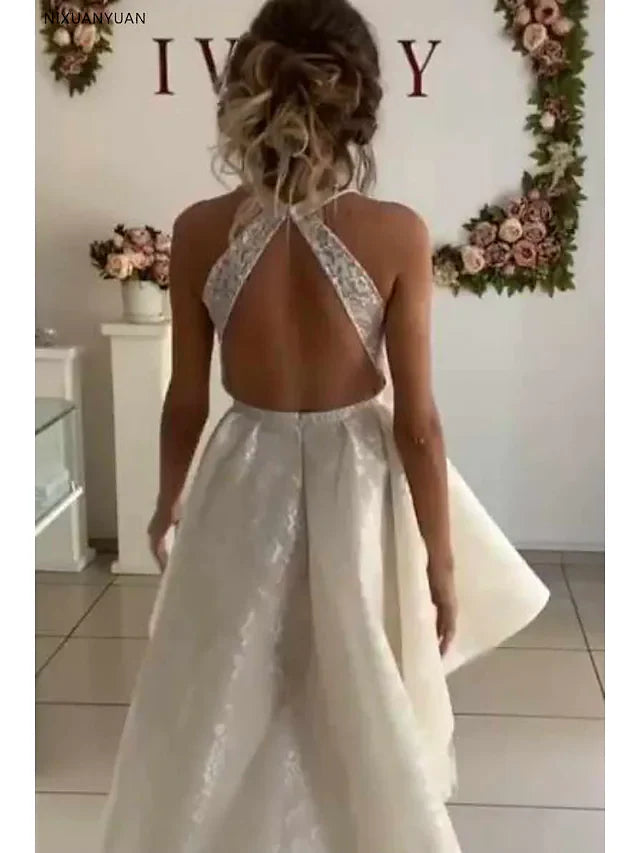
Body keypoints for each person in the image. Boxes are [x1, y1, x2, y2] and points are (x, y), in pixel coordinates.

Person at [98, 1, 549, 850]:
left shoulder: (198, 230)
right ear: (360, 104)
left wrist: (167, 501)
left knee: (237, 673)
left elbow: (185, 399)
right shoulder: (397, 233)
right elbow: (419, 425)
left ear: (248, 90)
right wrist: (441, 558)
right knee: (355, 669)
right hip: (358, 478)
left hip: (244, 470)